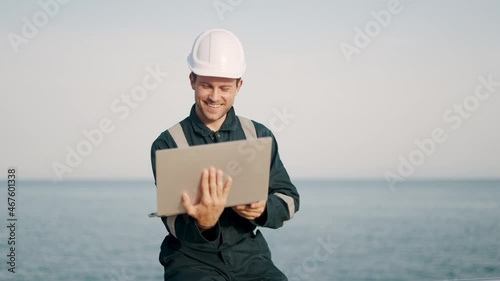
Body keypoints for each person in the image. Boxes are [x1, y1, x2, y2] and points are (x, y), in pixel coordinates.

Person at [150, 29, 300, 281]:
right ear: (192, 81)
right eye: (207, 86)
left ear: (239, 86)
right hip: (190, 259)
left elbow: (289, 199)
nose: (215, 97)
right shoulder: (168, 142)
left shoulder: (258, 135)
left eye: (224, 88)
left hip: (250, 257)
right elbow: (172, 221)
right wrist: (203, 224)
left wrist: (263, 209)